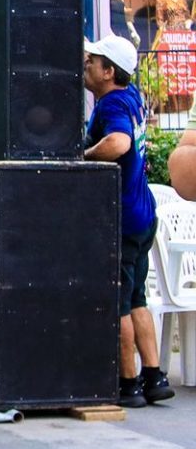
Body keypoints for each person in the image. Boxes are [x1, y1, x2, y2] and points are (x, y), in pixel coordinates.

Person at [84, 35, 173, 408]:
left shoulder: (113, 104)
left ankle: (129, 382)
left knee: (119, 302)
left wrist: (84, 155)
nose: (86, 64)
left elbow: (119, 143)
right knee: (138, 298)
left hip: (121, 218)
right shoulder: (132, 96)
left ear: (109, 72)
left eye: (93, 61)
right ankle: (155, 376)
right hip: (142, 214)